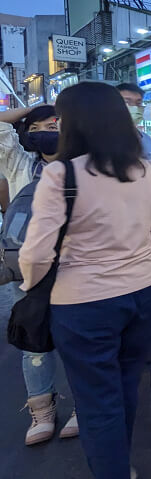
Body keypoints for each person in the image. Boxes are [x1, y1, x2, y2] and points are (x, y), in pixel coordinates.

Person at [19, 81, 151, 479]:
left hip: (84, 301)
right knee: (125, 388)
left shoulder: (62, 175)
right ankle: (118, 471)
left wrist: (35, 285)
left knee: (96, 399)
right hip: (144, 290)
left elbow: (35, 253)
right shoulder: (148, 172)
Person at [0, 103, 79, 445]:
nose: (52, 130)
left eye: (57, 124)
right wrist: (33, 108)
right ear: (27, 135)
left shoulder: (81, 166)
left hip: (75, 263)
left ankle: (83, 406)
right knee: (34, 339)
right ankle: (42, 409)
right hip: (28, 267)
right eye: (44, 127)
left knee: (78, 337)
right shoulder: (18, 163)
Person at [116, 83, 151, 161]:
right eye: (126, 102)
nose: (135, 107)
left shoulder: (147, 139)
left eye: (138, 103)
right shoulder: (103, 139)